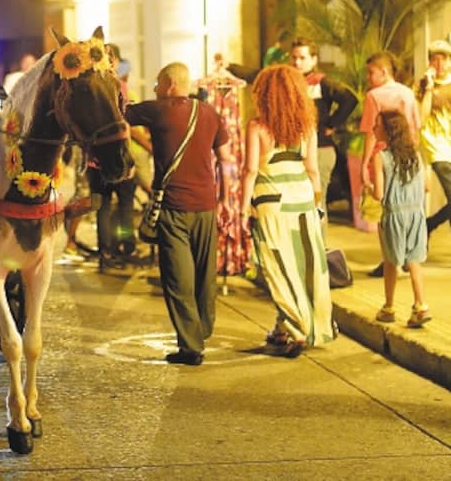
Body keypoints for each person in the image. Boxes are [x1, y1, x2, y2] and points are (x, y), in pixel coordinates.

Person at [125, 62, 234, 365]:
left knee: (178, 278)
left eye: (159, 84)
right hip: (207, 206)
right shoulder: (210, 112)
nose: (156, 90)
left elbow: (120, 110)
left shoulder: (158, 109)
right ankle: (203, 328)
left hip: (173, 208)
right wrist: (226, 199)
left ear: (171, 84)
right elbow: (225, 159)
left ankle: (191, 346)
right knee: (204, 275)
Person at [240, 65, 335, 358]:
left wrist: (243, 209)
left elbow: (250, 171)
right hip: (303, 200)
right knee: (304, 266)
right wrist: (318, 205)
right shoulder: (307, 127)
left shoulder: (257, 127)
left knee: (278, 267)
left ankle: (296, 328)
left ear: (264, 94)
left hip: (271, 203)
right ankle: (286, 328)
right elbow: (312, 170)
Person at [225, 37, 357, 221]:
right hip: (290, 154)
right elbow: (257, 75)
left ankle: (318, 246)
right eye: (294, 57)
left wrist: (331, 124)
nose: (297, 62)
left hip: (318, 148)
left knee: (316, 205)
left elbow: (349, 98)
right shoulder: (281, 80)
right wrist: (230, 66)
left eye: (302, 58)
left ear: (314, 59)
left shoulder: (321, 83)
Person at [358, 51, 421, 277]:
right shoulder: (407, 94)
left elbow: (371, 133)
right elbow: (415, 128)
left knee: (385, 210)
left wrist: (365, 164)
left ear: (383, 71)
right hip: (406, 157)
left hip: (382, 159)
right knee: (407, 207)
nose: (368, 77)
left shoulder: (374, 96)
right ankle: (406, 257)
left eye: (371, 72)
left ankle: (391, 259)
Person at [369, 109, 431, 328]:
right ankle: (420, 305)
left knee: (391, 261)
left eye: (377, 125)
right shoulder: (416, 154)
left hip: (394, 214)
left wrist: (368, 187)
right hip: (416, 213)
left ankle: (388, 307)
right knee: (414, 260)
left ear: (388, 130)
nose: (373, 129)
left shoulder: (381, 157)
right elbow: (427, 187)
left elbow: (379, 194)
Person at [88, 43, 138, 269]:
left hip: (95, 159)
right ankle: (125, 247)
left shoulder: (90, 87)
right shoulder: (118, 86)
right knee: (125, 206)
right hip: (117, 156)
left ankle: (106, 253)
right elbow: (125, 124)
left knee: (103, 207)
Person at [417, 39, 451, 238]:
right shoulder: (421, 86)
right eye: (434, 59)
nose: (439, 64)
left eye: (444, 59)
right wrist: (428, 88)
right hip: (436, 148)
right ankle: (429, 225)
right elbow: (421, 118)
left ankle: (429, 224)